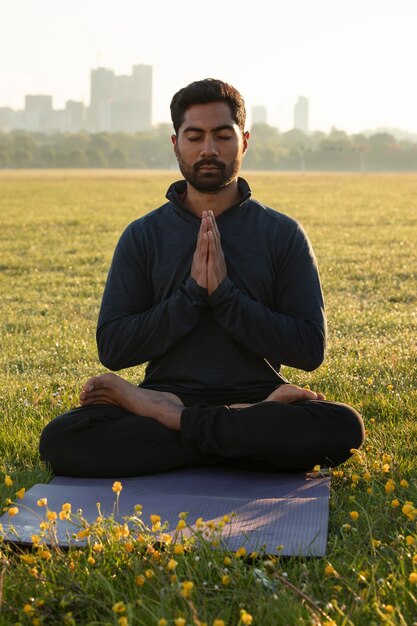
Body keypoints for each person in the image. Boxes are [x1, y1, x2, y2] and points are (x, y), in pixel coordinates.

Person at [39, 78, 364, 478]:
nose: (208, 149)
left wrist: (226, 297)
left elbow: (308, 349)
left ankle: (184, 426)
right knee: (63, 438)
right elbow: (114, 347)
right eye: (194, 137)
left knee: (344, 426)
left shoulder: (282, 234)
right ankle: (236, 434)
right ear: (176, 144)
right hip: (179, 396)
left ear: (244, 141)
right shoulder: (143, 235)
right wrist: (191, 295)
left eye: (222, 136)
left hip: (249, 397)